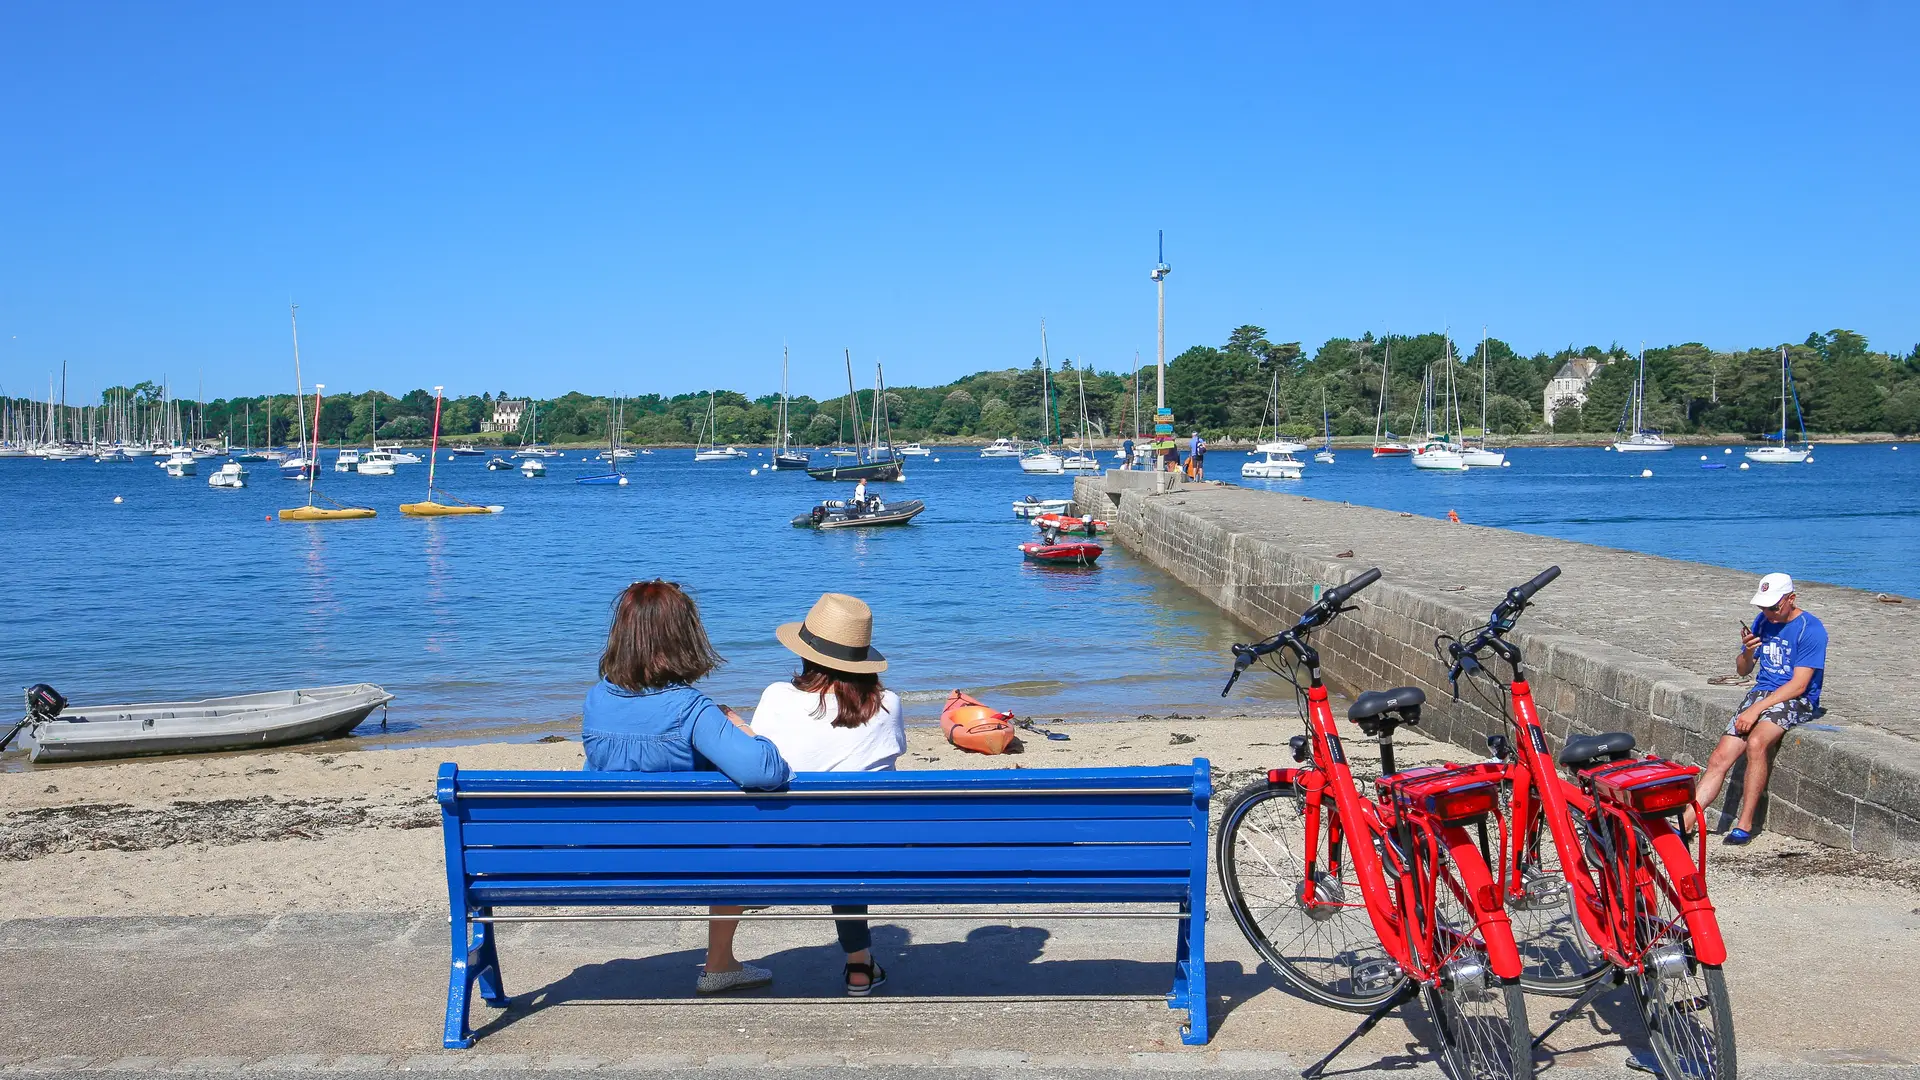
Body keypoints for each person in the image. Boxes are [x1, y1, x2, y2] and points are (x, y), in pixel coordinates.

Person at [582, 580, 791, 993]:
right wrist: (742, 728)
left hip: (610, 854)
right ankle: (720, 964)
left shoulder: (595, 700)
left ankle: (722, 963)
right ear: (684, 637)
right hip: (690, 859)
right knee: (735, 826)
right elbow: (765, 772)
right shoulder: (690, 708)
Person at [750, 593, 905, 995]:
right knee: (847, 832)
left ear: (805, 654)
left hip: (782, 846)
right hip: (867, 849)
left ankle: (719, 961)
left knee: (826, 828)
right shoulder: (888, 704)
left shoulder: (777, 697)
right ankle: (859, 965)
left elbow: (765, 757)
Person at [1692, 572, 1828, 845]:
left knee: (1756, 743)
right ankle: (1688, 819)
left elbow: (1800, 685)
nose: (1768, 613)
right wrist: (1747, 652)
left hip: (1794, 699)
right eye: (1763, 607)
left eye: (1774, 607)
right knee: (1721, 756)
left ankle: (1745, 823)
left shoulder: (1811, 629)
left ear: (1791, 599)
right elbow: (1743, 670)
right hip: (1761, 692)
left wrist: (1756, 710)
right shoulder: (1764, 621)